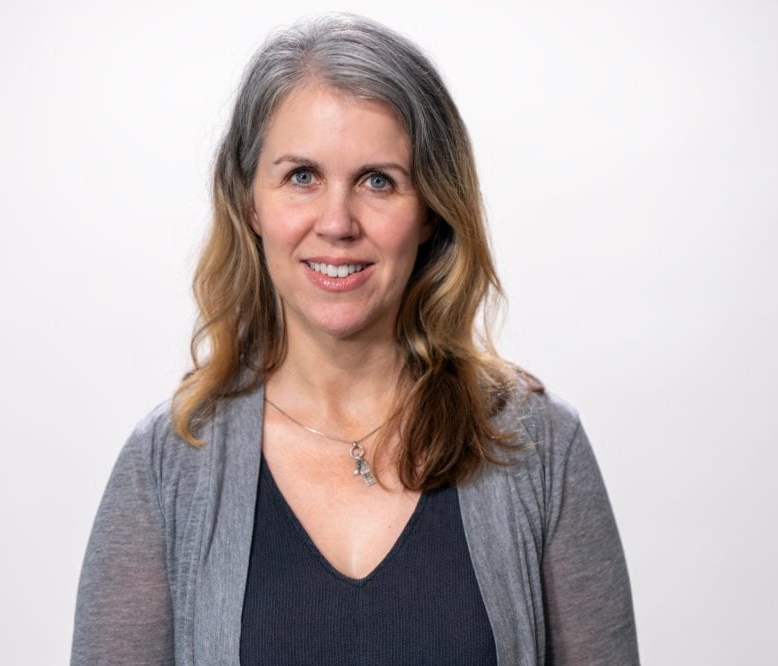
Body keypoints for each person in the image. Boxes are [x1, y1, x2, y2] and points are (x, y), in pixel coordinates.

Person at [72, 13, 638, 665]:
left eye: (378, 180)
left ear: (430, 208)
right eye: (302, 177)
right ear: (250, 201)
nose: (337, 223)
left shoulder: (539, 448)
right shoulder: (166, 466)